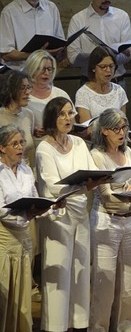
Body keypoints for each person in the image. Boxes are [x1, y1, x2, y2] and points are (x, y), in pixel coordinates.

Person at [35, 96, 105, 331]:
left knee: (81, 268)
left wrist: (93, 180)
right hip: (58, 215)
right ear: (52, 118)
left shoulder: (78, 143)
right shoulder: (44, 147)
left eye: (71, 113)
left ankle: (79, 323)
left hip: (79, 212)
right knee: (60, 270)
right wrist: (80, 184)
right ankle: (55, 326)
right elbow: (52, 185)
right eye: (63, 114)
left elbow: (92, 172)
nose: (68, 118)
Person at [88, 108, 131, 331]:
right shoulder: (96, 156)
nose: (122, 132)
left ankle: (123, 327)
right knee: (104, 282)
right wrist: (128, 193)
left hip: (129, 221)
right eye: (116, 128)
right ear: (104, 131)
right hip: (106, 221)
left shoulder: (127, 151)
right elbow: (106, 195)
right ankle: (99, 328)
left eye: (124, 127)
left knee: (129, 282)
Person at [0, 124, 57, 332]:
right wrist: (27, 214)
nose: (20, 147)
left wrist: (48, 207)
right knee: (5, 298)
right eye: (14, 143)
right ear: (1, 147)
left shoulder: (25, 169)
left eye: (22, 142)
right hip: (4, 241)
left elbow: (33, 197)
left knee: (23, 295)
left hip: (24, 239)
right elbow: (1, 211)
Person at [67, 0, 131, 81]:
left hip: (116, 80)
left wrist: (105, 59)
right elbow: (73, 58)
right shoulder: (78, 19)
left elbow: (127, 55)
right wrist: (101, 59)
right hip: (90, 81)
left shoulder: (122, 17)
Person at [0, 0, 64, 69]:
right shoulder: (9, 12)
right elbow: (6, 54)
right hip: (20, 77)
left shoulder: (51, 8)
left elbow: (59, 40)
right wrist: (34, 55)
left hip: (46, 74)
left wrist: (60, 51)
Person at [23, 50, 70, 143]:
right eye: (42, 69)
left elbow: (72, 123)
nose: (47, 73)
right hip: (33, 144)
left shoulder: (60, 94)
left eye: (49, 69)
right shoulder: (23, 96)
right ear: (32, 69)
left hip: (59, 143)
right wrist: (32, 130)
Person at [75, 46, 128, 124]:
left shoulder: (119, 91)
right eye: (103, 67)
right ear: (93, 68)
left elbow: (124, 122)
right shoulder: (83, 93)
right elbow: (86, 128)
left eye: (111, 66)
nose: (108, 70)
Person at [0, 70, 35, 167]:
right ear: (10, 90)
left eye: (28, 87)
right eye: (23, 88)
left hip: (26, 173)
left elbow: (30, 151)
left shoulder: (29, 115)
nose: (28, 92)